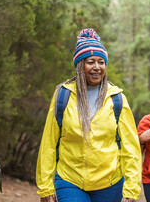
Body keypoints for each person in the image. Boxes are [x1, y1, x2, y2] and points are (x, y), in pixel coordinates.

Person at [36, 28, 142, 202]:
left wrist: (131, 188)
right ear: (80, 65)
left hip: (110, 182)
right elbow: (49, 142)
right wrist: (45, 186)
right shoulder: (63, 95)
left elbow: (130, 148)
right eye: (90, 62)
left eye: (101, 62)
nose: (97, 67)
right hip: (70, 179)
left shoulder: (117, 98)